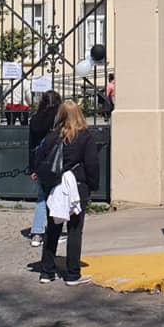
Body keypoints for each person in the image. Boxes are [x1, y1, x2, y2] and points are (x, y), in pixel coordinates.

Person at [37, 100, 100, 285]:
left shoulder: (51, 137)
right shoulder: (84, 136)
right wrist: (93, 185)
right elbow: (92, 164)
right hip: (77, 185)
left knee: (53, 229)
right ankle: (73, 274)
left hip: (55, 187)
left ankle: (46, 271)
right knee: (74, 230)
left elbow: (39, 159)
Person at [27, 89, 62, 247]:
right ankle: (54, 232)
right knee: (57, 198)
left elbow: (31, 145)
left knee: (41, 198)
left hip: (40, 163)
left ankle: (37, 233)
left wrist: (32, 168)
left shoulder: (35, 119)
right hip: (56, 162)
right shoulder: (59, 119)